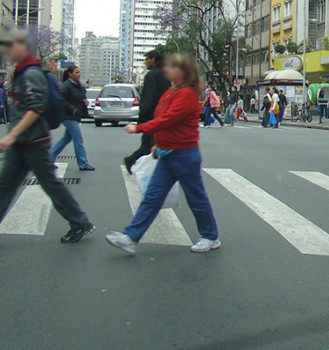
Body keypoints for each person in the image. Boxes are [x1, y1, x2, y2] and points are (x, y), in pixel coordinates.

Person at [106, 54, 220, 254]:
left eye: (172, 67)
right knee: (152, 197)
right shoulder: (171, 91)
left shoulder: (186, 94)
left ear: (183, 72)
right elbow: (163, 119)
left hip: (185, 154)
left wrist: (139, 128)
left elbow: (168, 119)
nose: (167, 69)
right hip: (168, 153)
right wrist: (158, 143)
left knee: (196, 198)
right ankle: (130, 237)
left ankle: (210, 236)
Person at [0, 30, 94, 243]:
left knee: (50, 184)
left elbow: (36, 107)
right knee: (5, 186)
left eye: (10, 47)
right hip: (21, 143)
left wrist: (10, 136)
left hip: (34, 142)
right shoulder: (21, 72)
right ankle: (80, 221)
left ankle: (80, 222)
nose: (6, 52)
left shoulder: (31, 74)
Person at [123, 50, 170, 174]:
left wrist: (142, 117)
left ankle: (132, 161)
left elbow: (149, 97)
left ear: (153, 59)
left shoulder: (152, 75)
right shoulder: (166, 74)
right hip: (162, 115)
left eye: (146, 59)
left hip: (152, 116)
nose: (145, 62)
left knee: (150, 145)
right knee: (150, 144)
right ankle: (133, 161)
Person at [48, 65, 95, 171]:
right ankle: (83, 163)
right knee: (78, 139)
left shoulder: (78, 85)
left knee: (65, 139)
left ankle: (48, 159)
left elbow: (80, 98)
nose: (79, 74)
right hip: (68, 116)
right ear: (70, 74)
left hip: (75, 116)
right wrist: (70, 108)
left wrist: (85, 102)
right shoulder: (66, 85)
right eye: (76, 72)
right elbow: (60, 99)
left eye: (79, 72)